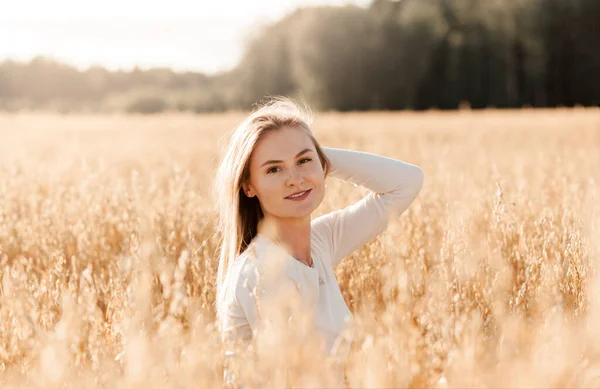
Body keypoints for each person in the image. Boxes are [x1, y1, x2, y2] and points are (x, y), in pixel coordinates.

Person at [212, 96, 424, 388]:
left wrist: (318, 156)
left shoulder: (320, 242)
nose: (295, 179)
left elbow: (406, 182)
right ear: (249, 186)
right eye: (274, 169)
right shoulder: (259, 274)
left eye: (303, 161)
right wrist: (307, 155)